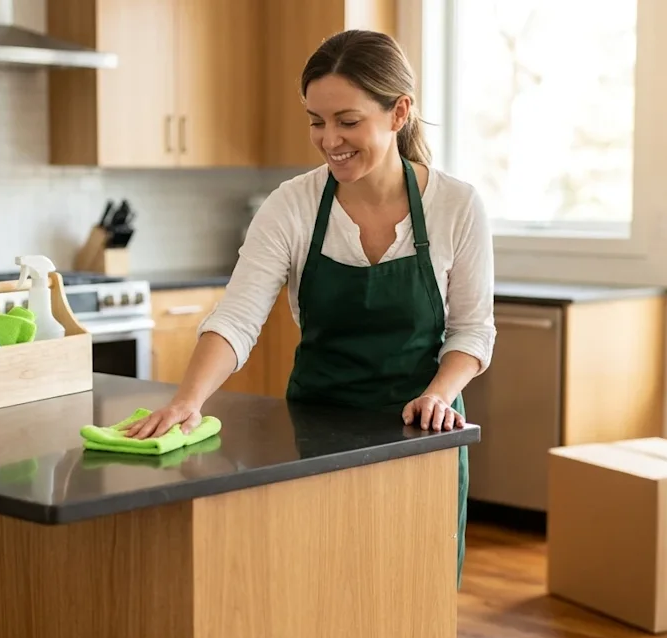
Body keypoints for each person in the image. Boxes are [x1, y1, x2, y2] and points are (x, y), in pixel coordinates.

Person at [124, 28, 496, 586]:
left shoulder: (456, 205)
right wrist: (187, 399)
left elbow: (471, 332)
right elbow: (238, 317)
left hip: (422, 434)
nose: (329, 140)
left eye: (348, 121)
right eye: (316, 122)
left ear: (399, 113)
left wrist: (439, 395)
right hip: (316, 438)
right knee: (318, 597)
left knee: (415, 602)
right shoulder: (293, 205)